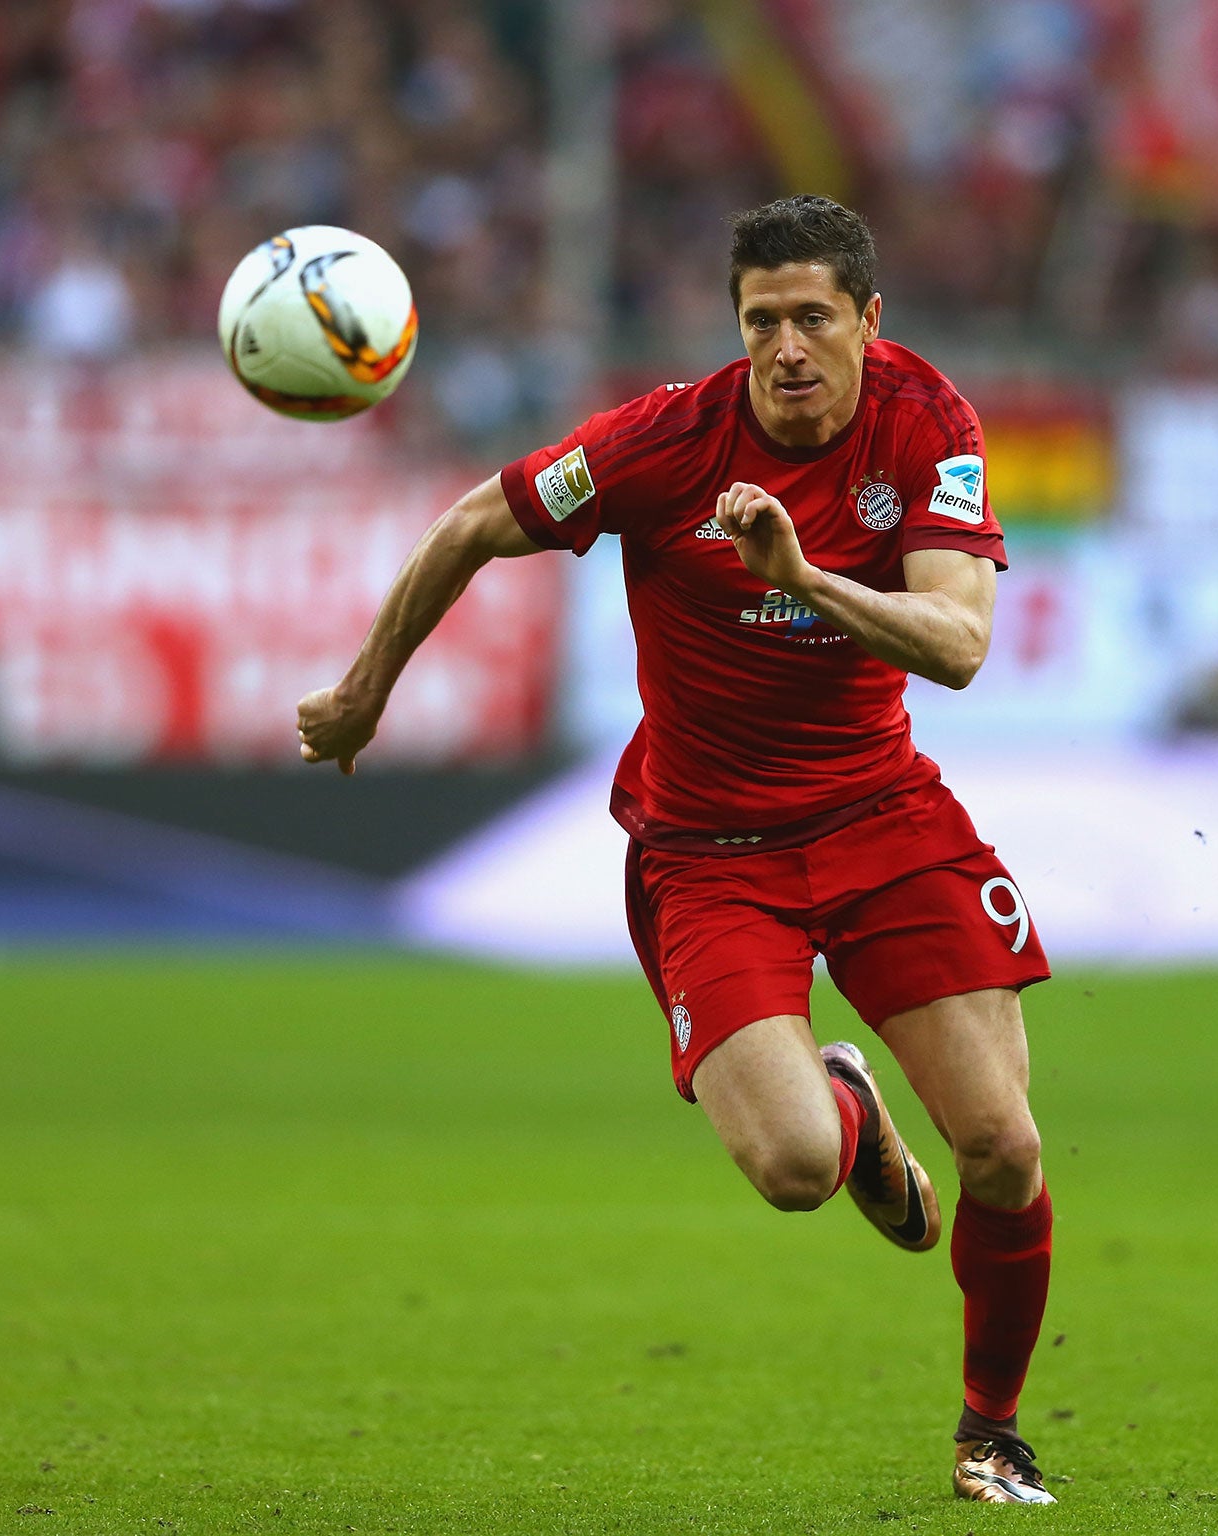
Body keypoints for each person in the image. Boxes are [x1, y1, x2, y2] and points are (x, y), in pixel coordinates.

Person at [296, 195, 1057, 1505]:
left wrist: (804, 573)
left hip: (882, 815)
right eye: (762, 320)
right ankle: (846, 1103)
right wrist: (369, 687)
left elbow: (963, 645)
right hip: (710, 851)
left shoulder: (930, 425)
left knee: (1001, 1148)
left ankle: (989, 1435)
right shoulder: (667, 439)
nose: (787, 347)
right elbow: (479, 519)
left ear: (868, 320)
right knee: (795, 1171)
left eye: (814, 316)